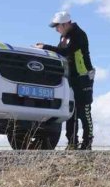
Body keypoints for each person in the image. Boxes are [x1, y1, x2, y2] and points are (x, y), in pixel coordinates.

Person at [36, 11, 95, 150]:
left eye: (58, 26)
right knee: (71, 111)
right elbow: (60, 52)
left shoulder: (79, 35)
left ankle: (87, 143)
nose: (56, 29)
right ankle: (72, 142)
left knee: (84, 111)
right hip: (70, 77)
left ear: (66, 24)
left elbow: (66, 51)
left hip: (83, 77)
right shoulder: (64, 37)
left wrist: (45, 47)